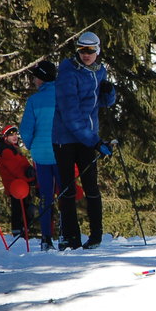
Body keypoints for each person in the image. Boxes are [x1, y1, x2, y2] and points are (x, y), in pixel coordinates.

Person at [52, 31, 116, 250]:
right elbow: (71, 115)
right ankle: (71, 237)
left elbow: (102, 103)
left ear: (97, 51)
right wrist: (95, 141)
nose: (86, 55)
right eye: (82, 50)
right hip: (65, 139)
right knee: (68, 189)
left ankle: (96, 236)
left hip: (88, 137)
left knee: (91, 187)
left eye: (90, 51)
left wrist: (109, 93)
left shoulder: (99, 71)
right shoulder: (68, 73)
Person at [20, 60, 61, 250]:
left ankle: (46, 238)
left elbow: (26, 130)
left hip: (41, 155)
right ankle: (67, 234)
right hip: (61, 152)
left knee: (45, 196)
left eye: (36, 77)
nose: (34, 80)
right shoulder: (62, 96)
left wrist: (31, 146)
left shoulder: (34, 101)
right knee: (65, 194)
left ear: (42, 79)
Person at [0, 124, 36, 236]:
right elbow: (16, 170)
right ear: (5, 137)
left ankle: (23, 231)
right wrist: (31, 177)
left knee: (25, 209)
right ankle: (19, 232)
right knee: (20, 210)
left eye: (15, 134)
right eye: (11, 135)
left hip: (21, 185)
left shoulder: (14, 149)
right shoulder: (7, 152)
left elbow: (22, 166)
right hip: (16, 187)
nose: (14, 137)